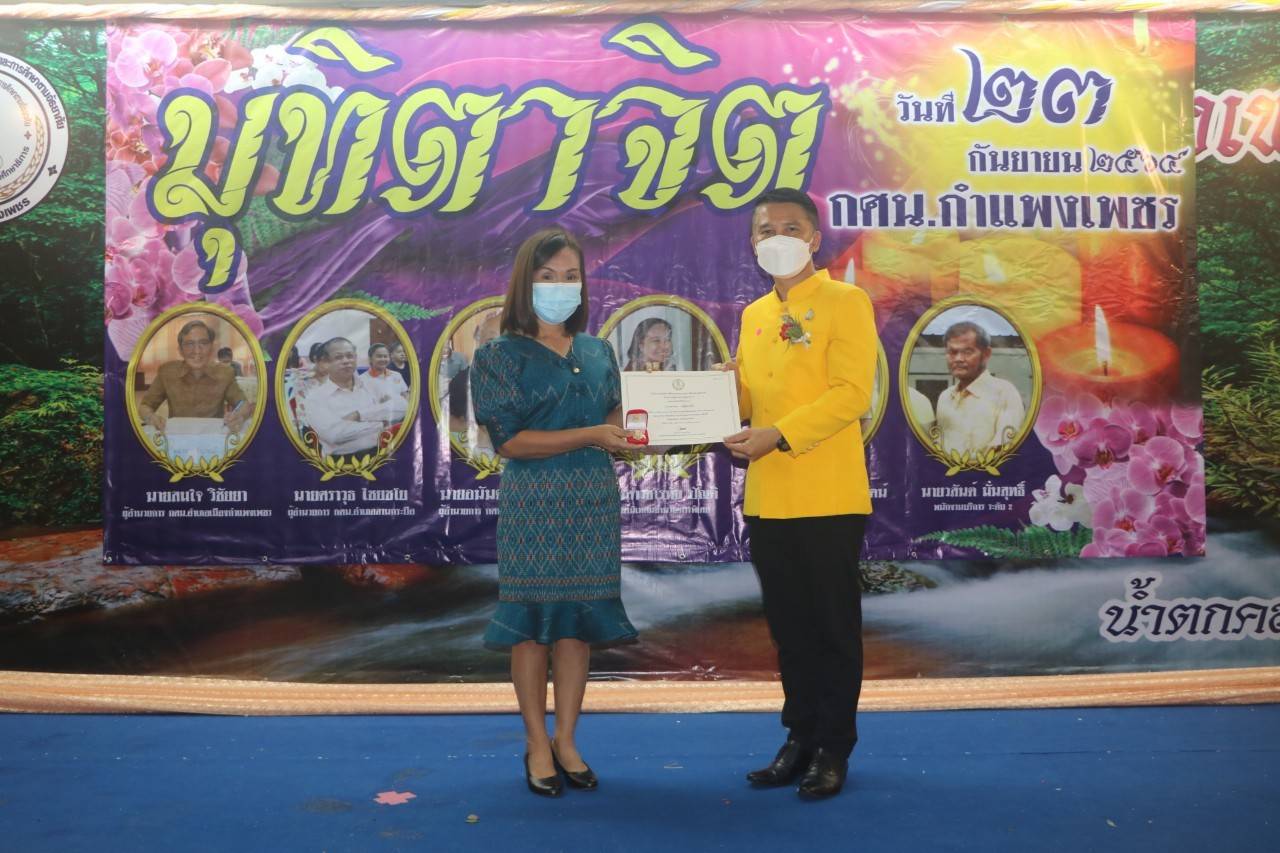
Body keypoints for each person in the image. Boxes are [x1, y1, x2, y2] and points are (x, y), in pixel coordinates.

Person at [720, 188, 878, 799]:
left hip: (829, 495)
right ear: (752, 243)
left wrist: (779, 434)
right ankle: (800, 737)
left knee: (833, 629)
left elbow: (850, 394)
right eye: (766, 230)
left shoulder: (847, 301)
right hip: (768, 497)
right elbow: (750, 403)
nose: (777, 238)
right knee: (789, 630)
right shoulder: (755, 314)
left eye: (790, 227)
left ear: (814, 238)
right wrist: (720, 393)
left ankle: (834, 748)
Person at [470, 227, 637, 798]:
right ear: (525, 282)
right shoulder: (496, 355)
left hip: (593, 499)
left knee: (576, 626)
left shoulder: (598, 351)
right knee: (532, 629)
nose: (560, 286)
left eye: (571, 276)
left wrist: (667, 419)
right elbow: (510, 442)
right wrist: (592, 434)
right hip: (534, 503)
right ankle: (536, 743)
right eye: (547, 277)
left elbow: (618, 420)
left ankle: (567, 740)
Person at [139, 319, 249, 434]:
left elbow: (243, 404)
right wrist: (150, 417)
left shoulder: (225, 373)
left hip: (212, 436)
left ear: (211, 348)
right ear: (180, 350)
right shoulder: (167, 372)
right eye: (189, 344)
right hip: (178, 436)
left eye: (203, 343)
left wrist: (240, 416)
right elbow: (145, 406)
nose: (197, 351)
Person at [933, 321, 1025, 455]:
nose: (958, 359)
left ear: (986, 354)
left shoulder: (1005, 393)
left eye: (967, 352)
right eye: (952, 352)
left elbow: (1003, 449)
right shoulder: (945, 397)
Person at [303, 337, 401, 457]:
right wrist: (382, 422)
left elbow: (403, 406)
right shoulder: (315, 398)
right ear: (326, 363)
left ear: (356, 358)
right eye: (338, 357)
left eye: (350, 356)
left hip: (384, 453)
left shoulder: (371, 384)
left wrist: (359, 415)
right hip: (342, 461)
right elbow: (335, 434)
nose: (346, 361)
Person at [364, 343, 409, 421]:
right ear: (370, 359)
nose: (383, 359)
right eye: (379, 356)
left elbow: (405, 395)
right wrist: (381, 404)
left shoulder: (396, 375)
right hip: (378, 422)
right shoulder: (362, 380)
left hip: (403, 420)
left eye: (385, 356)